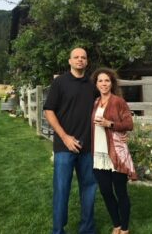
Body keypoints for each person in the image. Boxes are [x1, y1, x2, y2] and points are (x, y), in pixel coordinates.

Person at [44, 47, 97, 234]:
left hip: (88, 147)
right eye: (76, 57)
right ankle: (58, 230)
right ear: (70, 61)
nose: (80, 60)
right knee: (61, 190)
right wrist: (65, 137)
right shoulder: (60, 83)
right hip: (64, 147)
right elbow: (48, 110)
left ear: (87, 62)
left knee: (89, 189)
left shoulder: (92, 85)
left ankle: (87, 229)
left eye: (83, 57)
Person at [91, 68, 137, 234]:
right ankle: (116, 225)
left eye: (107, 81)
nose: (104, 84)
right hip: (98, 155)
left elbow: (129, 124)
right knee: (105, 192)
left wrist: (110, 124)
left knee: (121, 192)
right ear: (96, 84)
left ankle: (124, 229)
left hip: (115, 153)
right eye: (100, 81)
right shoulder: (95, 102)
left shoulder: (118, 101)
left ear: (112, 83)